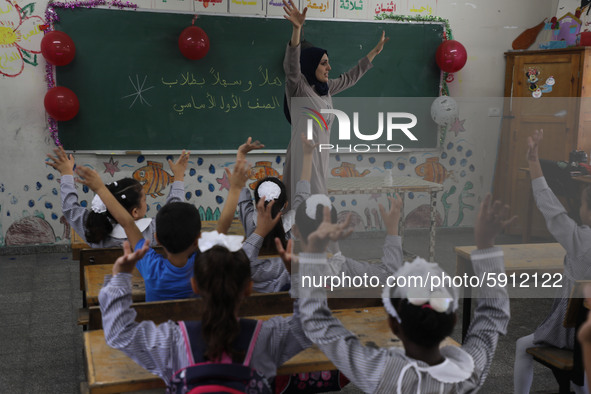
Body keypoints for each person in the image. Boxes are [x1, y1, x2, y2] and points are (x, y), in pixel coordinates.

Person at [296, 194, 513, 393]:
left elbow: (317, 322)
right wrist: (486, 246)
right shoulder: (468, 373)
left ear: (394, 326)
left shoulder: (383, 374)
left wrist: (314, 254)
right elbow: (493, 315)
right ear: (454, 319)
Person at [98, 240, 311, 390]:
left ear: (194, 285)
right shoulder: (267, 337)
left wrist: (121, 276)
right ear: (248, 288)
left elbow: (120, 333)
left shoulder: (174, 340)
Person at [77, 164, 282, 302]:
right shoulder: (206, 266)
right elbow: (224, 224)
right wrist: (236, 188)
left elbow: (127, 222)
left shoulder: (150, 268)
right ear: (198, 240)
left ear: (155, 239)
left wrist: (100, 188)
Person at [281, 0, 389, 200]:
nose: (329, 68)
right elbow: (292, 66)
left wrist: (374, 52)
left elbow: (351, 77)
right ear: (310, 65)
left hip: (320, 156)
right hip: (303, 156)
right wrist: (297, 29)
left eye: (328, 63)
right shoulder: (298, 88)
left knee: (314, 205)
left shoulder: (325, 90)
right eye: (324, 64)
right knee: (304, 205)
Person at [514, 129, 591, 394]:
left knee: (523, 346)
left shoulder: (579, 241)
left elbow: (549, 205)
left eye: (582, 203)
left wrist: (534, 160)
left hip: (572, 334)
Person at [46, 146, 189, 248]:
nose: (146, 202)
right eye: (144, 200)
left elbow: (69, 208)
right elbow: (175, 212)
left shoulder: (94, 231)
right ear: (135, 212)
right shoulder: (152, 231)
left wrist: (66, 173)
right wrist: (178, 177)